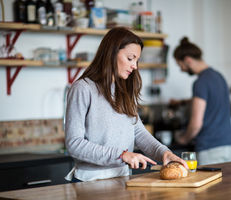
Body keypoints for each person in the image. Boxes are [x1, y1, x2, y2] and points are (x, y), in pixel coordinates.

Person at [64, 27, 188, 182]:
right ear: (111, 53)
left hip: (122, 178)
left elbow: (138, 133)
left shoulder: (124, 90)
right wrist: (121, 156)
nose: (134, 66)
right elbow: (74, 143)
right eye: (130, 58)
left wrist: (164, 153)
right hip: (90, 180)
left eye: (137, 60)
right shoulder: (83, 88)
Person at [172, 37, 231, 165]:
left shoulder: (200, 82)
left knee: (207, 185)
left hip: (210, 149)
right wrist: (182, 102)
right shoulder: (218, 76)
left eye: (180, 65)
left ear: (188, 60)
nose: (181, 70)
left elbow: (196, 124)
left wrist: (183, 139)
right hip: (229, 146)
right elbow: (210, 100)